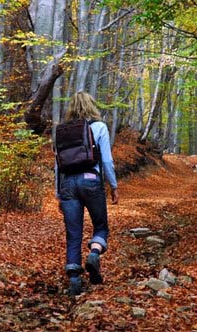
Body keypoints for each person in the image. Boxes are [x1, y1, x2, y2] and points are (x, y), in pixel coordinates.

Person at [56, 91, 119, 295]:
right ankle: (94, 253)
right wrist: (114, 186)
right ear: (92, 106)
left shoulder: (62, 131)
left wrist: (59, 194)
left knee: (73, 233)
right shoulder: (99, 127)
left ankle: (74, 277)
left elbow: (58, 165)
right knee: (100, 227)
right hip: (91, 181)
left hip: (67, 184)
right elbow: (107, 161)